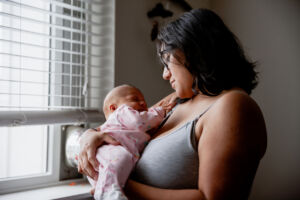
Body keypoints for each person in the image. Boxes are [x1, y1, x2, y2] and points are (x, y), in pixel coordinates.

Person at [78, 8, 267, 200]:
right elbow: (125, 127)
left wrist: (117, 184)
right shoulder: (175, 101)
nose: (165, 75)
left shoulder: (233, 106)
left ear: (194, 54)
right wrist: (91, 135)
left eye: (168, 63)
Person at [83, 84, 170, 200]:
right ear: (113, 108)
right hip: (108, 149)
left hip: (105, 158)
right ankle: (107, 192)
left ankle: (103, 188)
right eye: (135, 99)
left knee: (123, 165)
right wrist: (159, 112)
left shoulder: (124, 124)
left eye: (144, 101)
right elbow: (139, 122)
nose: (143, 103)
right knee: (123, 157)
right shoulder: (122, 113)